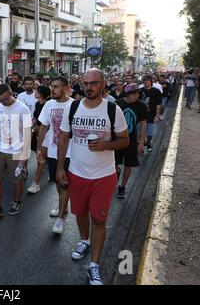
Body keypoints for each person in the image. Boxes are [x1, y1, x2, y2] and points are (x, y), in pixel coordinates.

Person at [56, 68, 129, 285]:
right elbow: (63, 138)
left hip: (103, 176)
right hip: (76, 174)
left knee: (99, 219)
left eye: (94, 83)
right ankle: (84, 241)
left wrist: (106, 145)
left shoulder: (112, 109)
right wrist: (60, 168)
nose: (89, 87)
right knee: (79, 213)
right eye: (86, 83)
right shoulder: (73, 107)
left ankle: (94, 265)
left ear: (103, 84)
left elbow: (125, 140)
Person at [0, 84, 32, 222]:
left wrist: (24, 157)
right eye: (0, 100)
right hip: (0, 149)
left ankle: (17, 202)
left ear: (11, 94)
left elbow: (28, 134)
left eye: (5, 99)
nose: (3, 102)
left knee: (17, 180)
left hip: (17, 151)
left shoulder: (23, 109)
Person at [36, 76, 74, 234]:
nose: (53, 89)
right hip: (52, 151)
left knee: (64, 183)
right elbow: (43, 127)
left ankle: (60, 219)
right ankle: (62, 205)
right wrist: (39, 149)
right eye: (52, 86)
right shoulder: (49, 104)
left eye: (56, 86)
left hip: (70, 152)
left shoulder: (74, 105)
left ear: (65, 88)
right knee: (58, 184)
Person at [115, 83, 147, 199]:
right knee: (114, 163)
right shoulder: (117, 104)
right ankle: (115, 177)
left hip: (131, 140)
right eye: (134, 93)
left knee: (129, 164)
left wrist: (141, 142)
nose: (136, 96)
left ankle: (122, 186)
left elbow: (143, 124)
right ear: (127, 94)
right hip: (116, 139)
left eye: (138, 93)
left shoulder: (142, 106)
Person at [26, 85, 50, 194]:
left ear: (42, 94)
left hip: (46, 134)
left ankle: (36, 184)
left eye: (37, 91)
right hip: (37, 134)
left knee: (40, 157)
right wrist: (30, 125)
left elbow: (48, 123)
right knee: (38, 155)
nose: (35, 92)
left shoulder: (47, 105)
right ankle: (49, 169)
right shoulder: (37, 104)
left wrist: (39, 128)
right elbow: (36, 118)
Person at [139, 75, 162, 152]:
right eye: (144, 80)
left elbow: (158, 105)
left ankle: (148, 142)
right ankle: (141, 145)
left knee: (150, 133)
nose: (146, 81)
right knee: (140, 131)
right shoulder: (139, 91)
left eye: (148, 80)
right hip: (141, 115)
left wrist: (157, 115)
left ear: (151, 81)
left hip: (152, 115)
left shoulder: (156, 91)